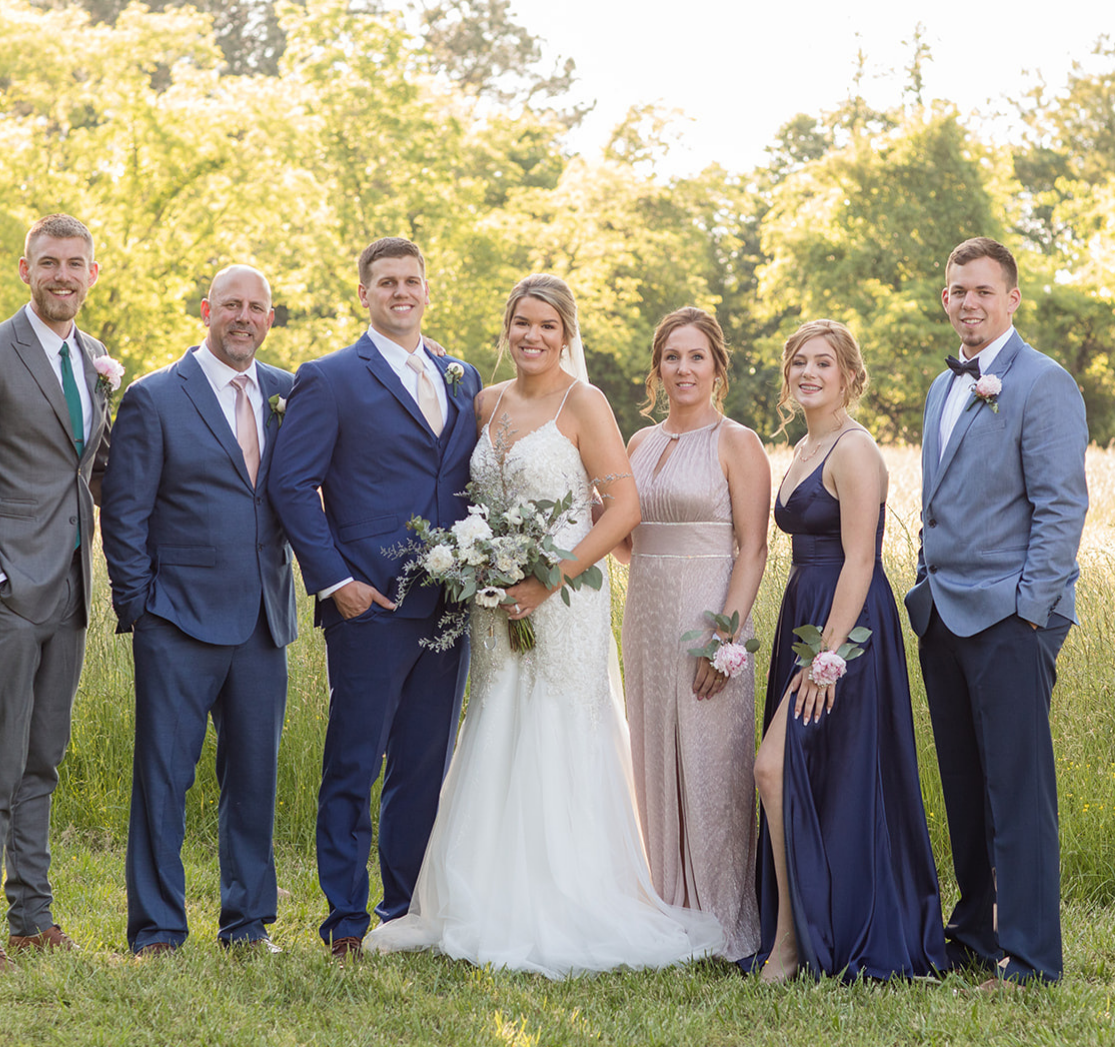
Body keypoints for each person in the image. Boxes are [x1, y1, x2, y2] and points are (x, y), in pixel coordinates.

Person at [365, 274, 723, 978]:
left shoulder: (583, 403)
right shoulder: (486, 401)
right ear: (507, 328)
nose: (532, 336)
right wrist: (485, 568)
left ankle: (566, 898)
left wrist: (547, 577)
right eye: (521, 323)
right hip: (493, 598)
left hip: (563, 596)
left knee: (558, 724)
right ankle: (482, 896)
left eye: (547, 326)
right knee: (498, 719)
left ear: (567, 334)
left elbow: (622, 512)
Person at [269, 238, 482, 962]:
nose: (402, 291)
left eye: (412, 280)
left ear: (427, 289)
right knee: (354, 764)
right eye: (387, 281)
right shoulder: (329, 379)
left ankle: (405, 909)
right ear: (364, 293)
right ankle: (345, 919)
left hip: (449, 605)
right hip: (370, 607)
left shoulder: (462, 374)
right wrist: (336, 582)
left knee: (424, 766)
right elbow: (292, 485)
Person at [904, 238, 1088, 987]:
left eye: (983, 290)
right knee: (965, 785)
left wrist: (1033, 610)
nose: (969, 302)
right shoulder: (942, 387)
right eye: (957, 291)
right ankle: (975, 933)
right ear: (945, 300)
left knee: (1018, 791)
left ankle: (1034, 956)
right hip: (943, 613)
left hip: (1012, 618)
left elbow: (1061, 505)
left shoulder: (1043, 383)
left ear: (1012, 298)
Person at [0, 213, 111, 970]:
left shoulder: (95, 357)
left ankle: (33, 916)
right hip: (7, 594)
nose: (62, 275)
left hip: (69, 587)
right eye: (49, 263)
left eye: (74, 263)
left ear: (92, 273)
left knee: (43, 759)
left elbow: (88, 470)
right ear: (25, 269)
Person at [100, 264, 298, 956]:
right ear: (207, 310)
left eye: (258, 308)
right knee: (163, 780)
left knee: (253, 779)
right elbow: (123, 512)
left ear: (270, 319)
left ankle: (247, 925)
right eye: (232, 306)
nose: (244, 317)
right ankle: (157, 928)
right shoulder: (156, 397)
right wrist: (140, 609)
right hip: (177, 621)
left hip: (263, 623)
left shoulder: (285, 392)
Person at [753, 319, 948, 984]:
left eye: (823, 364)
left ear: (848, 376)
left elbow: (862, 558)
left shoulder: (855, 450)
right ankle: (808, 926)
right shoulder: (806, 446)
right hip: (803, 612)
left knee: (774, 769)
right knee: (816, 775)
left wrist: (827, 656)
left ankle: (788, 942)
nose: (809, 373)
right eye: (799, 363)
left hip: (846, 626)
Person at [615, 307, 767, 965]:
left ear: (717, 368)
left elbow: (755, 549)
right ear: (657, 368)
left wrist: (725, 638)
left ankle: (725, 923)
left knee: (711, 766)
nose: (683, 369)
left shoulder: (738, 442)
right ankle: (664, 912)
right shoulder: (639, 444)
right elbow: (624, 542)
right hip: (645, 616)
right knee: (650, 759)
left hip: (711, 615)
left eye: (696, 357)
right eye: (672, 357)